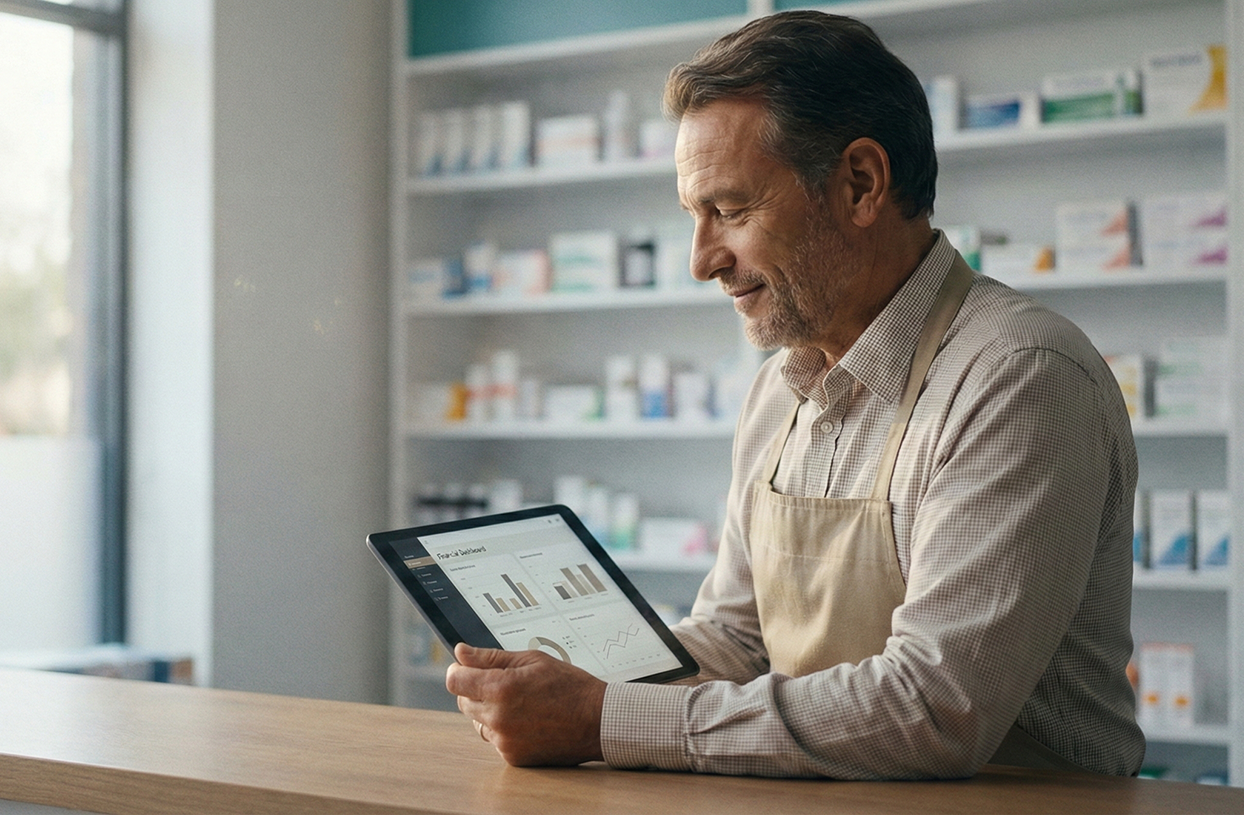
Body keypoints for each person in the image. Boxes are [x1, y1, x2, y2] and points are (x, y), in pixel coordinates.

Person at [445, 10, 1143, 779]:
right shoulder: (781, 389)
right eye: (694, 216)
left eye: (732, 210)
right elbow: (739, 638)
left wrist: (602, 717)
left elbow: (937, 709)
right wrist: (580, 675)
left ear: (860, 183)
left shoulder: (1018, 376)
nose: (702, 260)